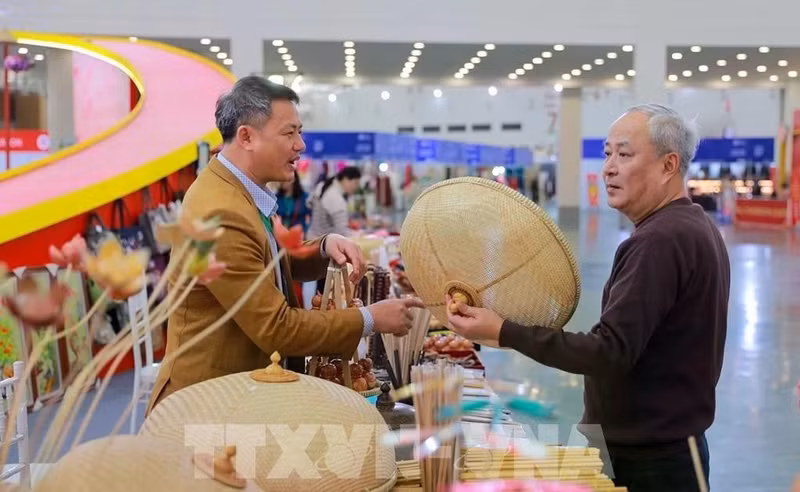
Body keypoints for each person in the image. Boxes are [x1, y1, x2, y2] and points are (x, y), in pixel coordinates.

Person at [445, 104, 730, 492]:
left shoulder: (660, 240)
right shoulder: (694, 226)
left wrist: (505, 331)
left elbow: (609, 351)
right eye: (607, 153)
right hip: (656, 446)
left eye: (624, 154)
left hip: (650, 461)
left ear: (669, 165)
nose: (609, 168)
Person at [147, 76, 423, 413]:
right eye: (289, 133)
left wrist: (322, 247)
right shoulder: (220, 211)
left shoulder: (240, 193)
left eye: (299, 132)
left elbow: (267, 263)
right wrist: (369, 319)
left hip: (236, 397)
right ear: (246, 137)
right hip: (206, 407)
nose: (300, 145)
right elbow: (276, 328)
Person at [308, 166, 362, 294]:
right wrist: (359, 237)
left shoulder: (323, 186)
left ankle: (319, 302)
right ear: (345, 179)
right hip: (325, 246)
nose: (355, 188)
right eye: (355, 183)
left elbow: (309, 204)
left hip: (314, 240)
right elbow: (342, 231)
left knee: (320, 283)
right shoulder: (336, 198)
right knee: (326, 286)